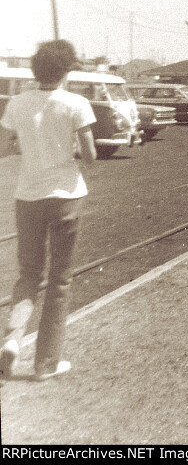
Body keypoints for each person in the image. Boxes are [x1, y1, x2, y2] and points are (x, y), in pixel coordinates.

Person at [0, 40, 97, 382]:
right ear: (66, 70)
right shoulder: (76, 103)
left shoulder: (17, 102)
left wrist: (30, 146)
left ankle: (12, 340)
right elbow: (90, 156)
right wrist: (66, 148)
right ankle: (45, 364)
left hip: (27, 198)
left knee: (28, 275)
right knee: (59, 280)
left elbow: (4, 147)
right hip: (66, 198)